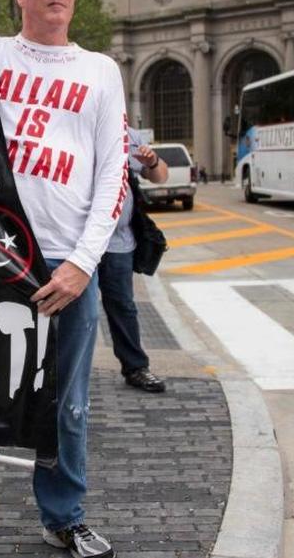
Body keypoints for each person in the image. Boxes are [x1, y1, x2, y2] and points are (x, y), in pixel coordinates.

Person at [0, 0, 128, 558]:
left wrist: (81, 263)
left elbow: (111, 174)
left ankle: (63, 515)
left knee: (66, 404)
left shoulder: (100, 70)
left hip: (69, 266)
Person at [98, 129, 169, 393]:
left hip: (118, 241)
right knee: (72, 310)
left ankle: (136, 367)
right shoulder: (76, 120)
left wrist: (151, 161)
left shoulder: (130, 135)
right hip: (77, 241)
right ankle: (59, 371)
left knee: (123, 307)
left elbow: (160, 175)